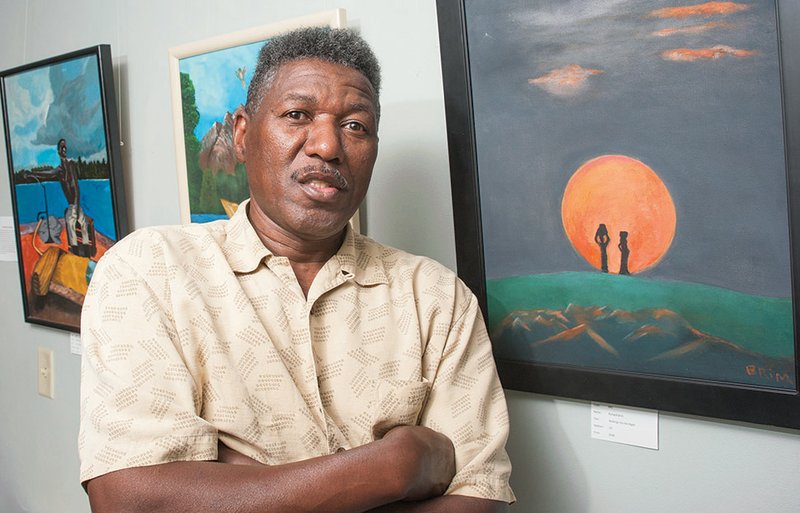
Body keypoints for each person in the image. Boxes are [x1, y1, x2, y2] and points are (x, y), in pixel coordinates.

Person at [79, 27, 514, 512]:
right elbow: (131, 502)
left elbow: (478, 498)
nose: (328, 146)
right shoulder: (149, 272)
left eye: (355, 125)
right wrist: (395, 465)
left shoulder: (436, 298)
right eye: (297, 115)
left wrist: (240, 482)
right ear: (242, 134)